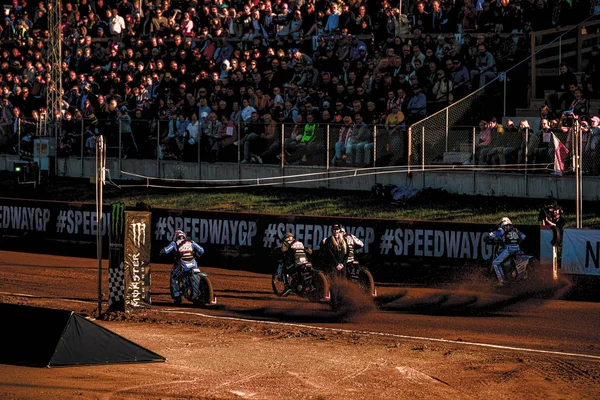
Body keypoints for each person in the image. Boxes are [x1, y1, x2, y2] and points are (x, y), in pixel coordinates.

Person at [159, 230, 205, 305]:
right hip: (194, 264)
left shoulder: (174, 243)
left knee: (174, 277)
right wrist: (197, 255)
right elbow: (201, 250)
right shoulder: (191, 242)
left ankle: (177, 298)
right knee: (197, 276)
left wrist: (161, 251)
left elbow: (166, 250)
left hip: (183, 265)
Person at [487, 217, 526, 286]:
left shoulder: (502, 230)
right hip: (517, 248)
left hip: (508, 249)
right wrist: (517, 243)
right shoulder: (515, 229)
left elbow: (491, 235)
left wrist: (488, 236)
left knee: (495, 263)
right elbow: (523, 236)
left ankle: (501, 281)